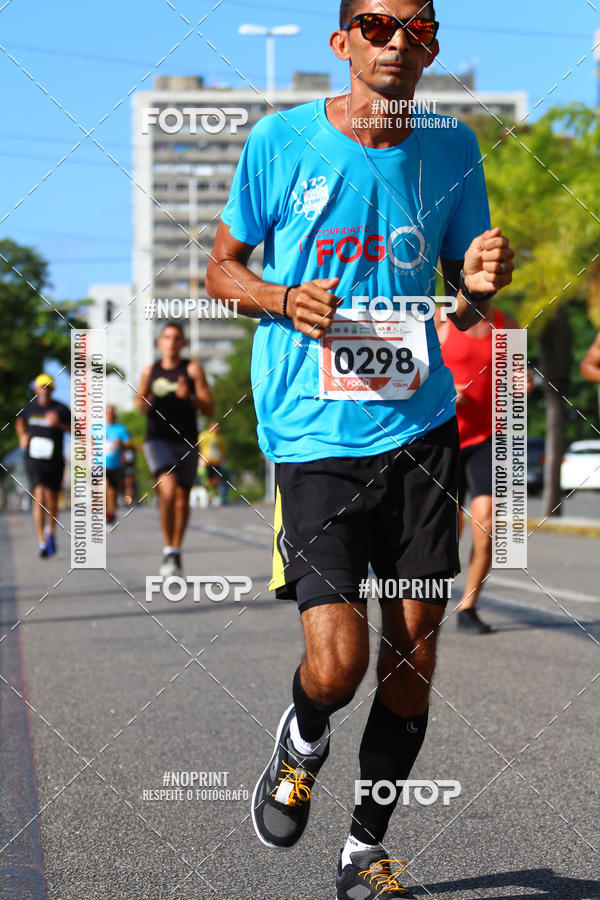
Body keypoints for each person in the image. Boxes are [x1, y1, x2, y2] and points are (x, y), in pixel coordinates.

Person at [206, 1, 514, 895]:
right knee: (337, 667)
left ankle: (362, 847)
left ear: (433, 46)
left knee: (413, 655)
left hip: (420, 430)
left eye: (414, 27)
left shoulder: (453, 149)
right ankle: (301, 741)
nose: (394, 41)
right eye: (376, 25)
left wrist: (482, 285)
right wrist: (276, 298)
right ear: (343, 43)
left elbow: (463, 299)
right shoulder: (280, 143)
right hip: (312, 435)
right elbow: (220, 267)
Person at [438, 304, 518, 634]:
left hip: (489, 437)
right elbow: (416, 367)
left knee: (486, 521)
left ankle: (468, 606)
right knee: (447, 529)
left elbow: (515, 374)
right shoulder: (440, 321)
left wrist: (519, 383)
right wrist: (446, 389)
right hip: (444, 437)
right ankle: (430, 599)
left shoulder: (505, 324)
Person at [136, 322, 214, 575]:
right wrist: (144, 400)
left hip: (186, 440)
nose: (171, 342)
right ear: (159, 342)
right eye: (167, 337)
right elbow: (140, 405)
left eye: (176, 338)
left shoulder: (192, 370)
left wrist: (189, 398)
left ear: (183, 344)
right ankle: (168, 548)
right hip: (157, 438)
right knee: (167, 490)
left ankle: (175, 550)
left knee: (182, 501)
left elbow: (209, 407)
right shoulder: (150, 371)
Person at [15, 373, 71, 557]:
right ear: (36, 389)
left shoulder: (61, 409)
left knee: (52, 500)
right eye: (41, 386)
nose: (44, 390)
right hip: (34, 458)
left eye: (48, 386)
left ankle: (51, 532)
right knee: (39, 496)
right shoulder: (29, 408)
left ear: (53, 389)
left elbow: (75, 429)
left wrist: (59, 425)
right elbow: (20, 422)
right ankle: (41, 541)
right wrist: (22, 436)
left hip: (54, 459)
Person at [104, 405, 132, 524]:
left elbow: (129, 444)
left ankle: (111, 513)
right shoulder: (96, 428)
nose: (110, 414)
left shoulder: (121, 429)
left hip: (116, 465)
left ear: (115, 414)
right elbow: (88, 442)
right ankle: (105, 513)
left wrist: (121, 443)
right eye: (107, 412)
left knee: (112, 490)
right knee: (103, 486)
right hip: (100, 463)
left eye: (112, 412)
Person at [198, 421, 229, 504]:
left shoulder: (219, 438)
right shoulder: (204, 435)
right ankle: (207, 493)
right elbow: (199, 447)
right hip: (207, 461)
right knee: (208, 479)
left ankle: (212, 495)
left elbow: (223, 451)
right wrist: (201, 458)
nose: (216, 429)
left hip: (216, 462)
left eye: (218, 427)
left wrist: (224, 460)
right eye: (215, 427)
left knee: (216, 480)